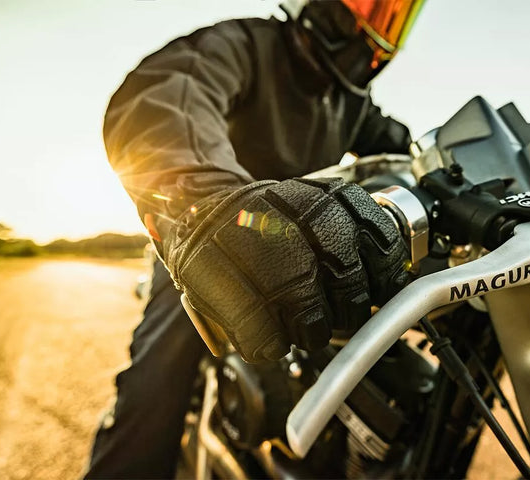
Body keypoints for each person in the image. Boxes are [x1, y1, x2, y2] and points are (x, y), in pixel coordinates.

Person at [85, 0, 424, 477]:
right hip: (210, 245)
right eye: (369, 8)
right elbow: (168, 95)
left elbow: (410, 152)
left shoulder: (352, 104)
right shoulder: (246, 46)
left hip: (304, 257)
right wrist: (207, 200)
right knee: (155, 385)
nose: (375, 31)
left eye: (393, 16)